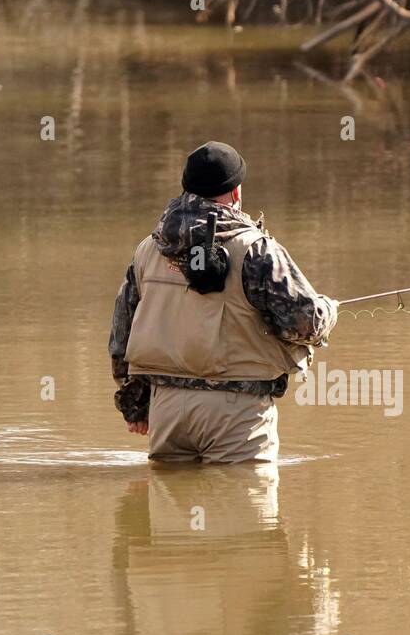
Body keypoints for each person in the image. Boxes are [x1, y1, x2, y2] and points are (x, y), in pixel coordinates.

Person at [109, 141, 338, 463]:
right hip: (237, 410)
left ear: (186, 188)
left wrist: (134, 402)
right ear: (236, 192)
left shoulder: (148, 249)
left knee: (171, 506)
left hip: (167, 410)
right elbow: (304, 323)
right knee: (245, 508)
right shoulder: (257, 250)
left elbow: (122, 333)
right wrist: (328, 309)